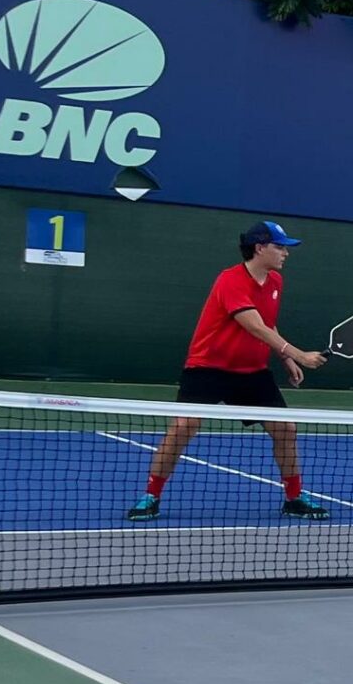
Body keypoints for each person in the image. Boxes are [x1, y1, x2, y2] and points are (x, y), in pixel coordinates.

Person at [126, 221, 329, 522]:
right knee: (183, 427)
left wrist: (285, 358)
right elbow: (253, 325)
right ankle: (151, 496)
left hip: (252, 371)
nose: (286, 253)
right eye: (279, 247)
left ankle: (294, 498)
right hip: (208, 367)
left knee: (286, 429)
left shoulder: (275, 281)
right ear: (259, 248)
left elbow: (268, 324)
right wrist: (298, 354)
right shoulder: (230, 280)